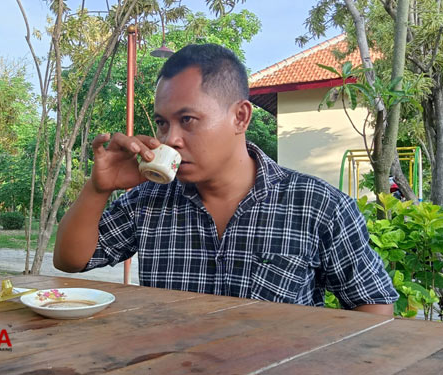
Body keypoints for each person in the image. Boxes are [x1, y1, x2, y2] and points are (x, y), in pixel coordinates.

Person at [53, 44, 398, 316]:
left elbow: (373, 303)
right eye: (162, 123)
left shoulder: (318, 205)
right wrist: (99, 187)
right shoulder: (150, 200)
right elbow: (71, 260)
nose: (170, 138)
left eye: (187, 119)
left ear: (240, 117)